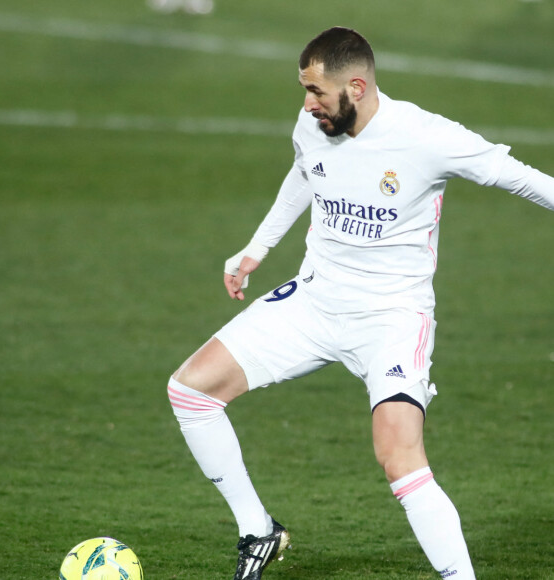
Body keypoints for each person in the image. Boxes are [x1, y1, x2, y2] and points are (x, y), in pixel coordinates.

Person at [168, 27, 554, 579]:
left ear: (357, 85)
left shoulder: (425, 136)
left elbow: (519, 178)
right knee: (190, 390)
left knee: (398, 454)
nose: (308, 104)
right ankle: (258, 530)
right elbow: (306, 170)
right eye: (305, 91)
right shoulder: (314, 123)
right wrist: (257, 248)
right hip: (316, 300)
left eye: (317, 92)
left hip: (392, 318)